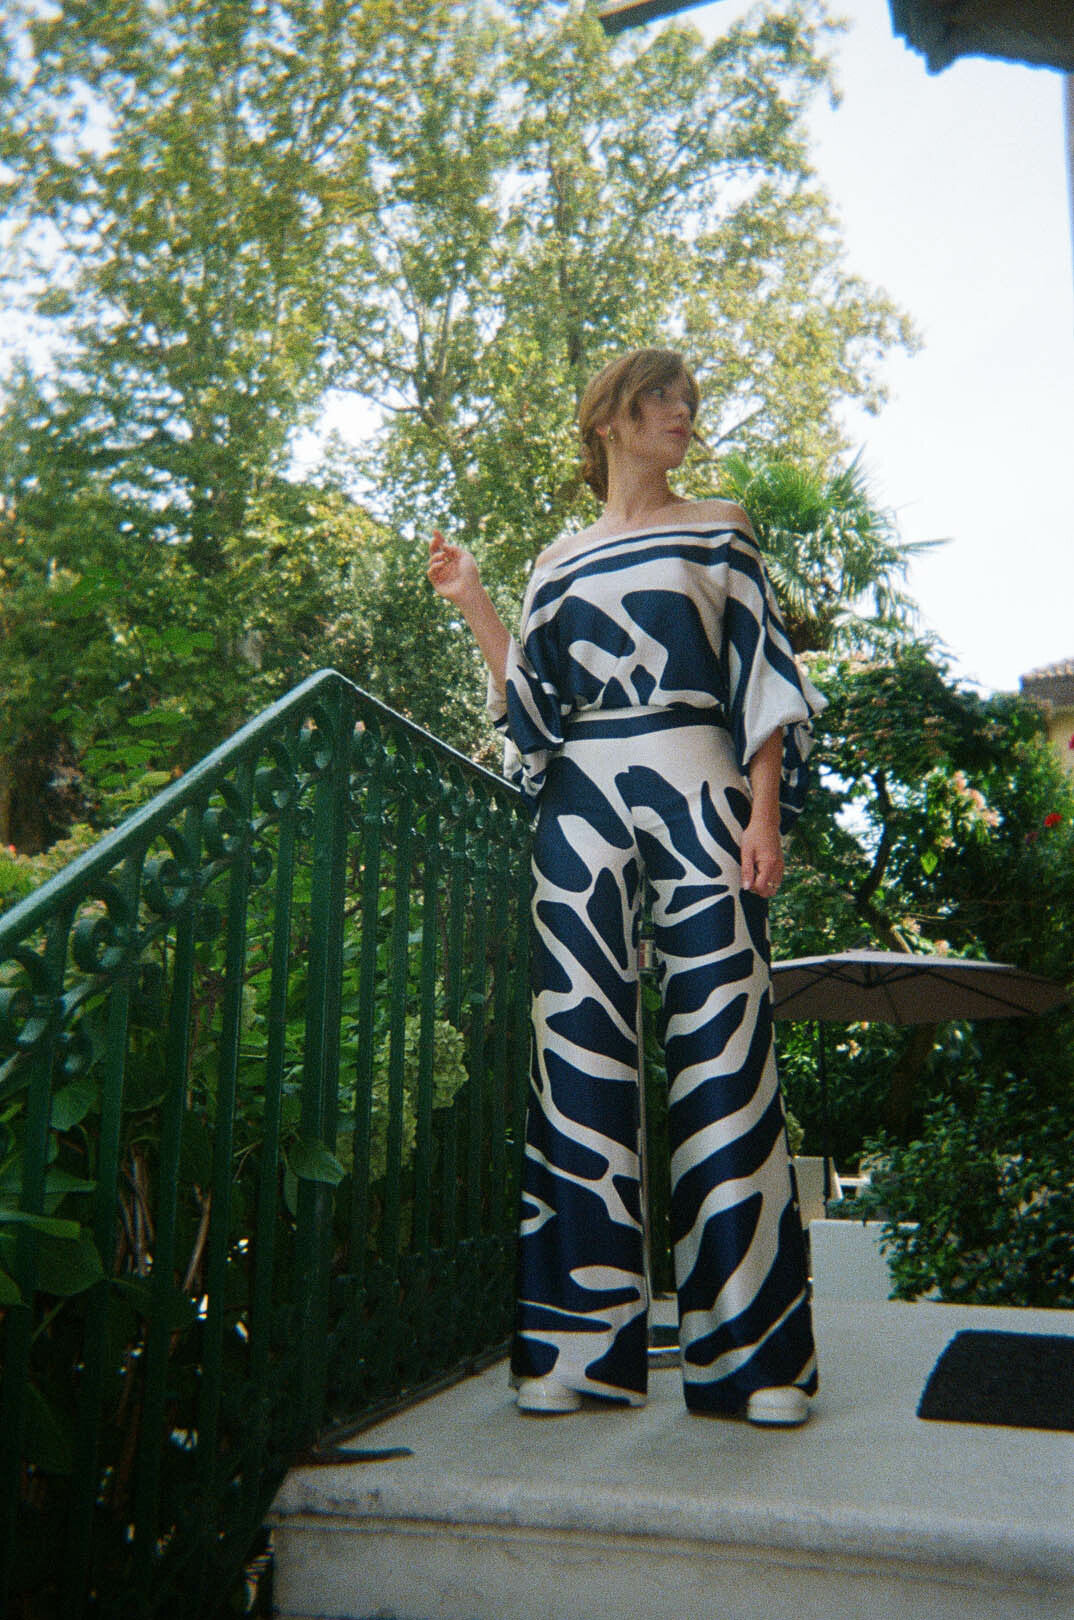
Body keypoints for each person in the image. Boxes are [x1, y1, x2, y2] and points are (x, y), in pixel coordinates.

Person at [427, 347, 825, 1426]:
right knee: (577, 1062)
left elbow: (761, 674)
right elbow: (535, 716)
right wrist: (475, 603)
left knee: (726, 1053)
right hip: (582, 805)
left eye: (690, 399)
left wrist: (765, 812)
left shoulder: (721, 524)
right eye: (661, 397)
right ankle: (576, 1353)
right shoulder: (558, 558)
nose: (683, 413)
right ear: (609, 416)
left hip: (703, 787)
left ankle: (756, 1362)